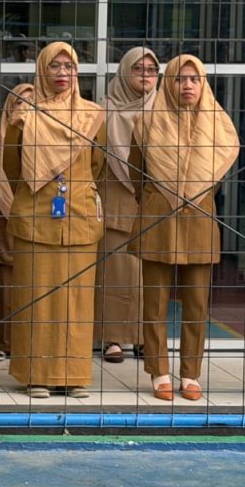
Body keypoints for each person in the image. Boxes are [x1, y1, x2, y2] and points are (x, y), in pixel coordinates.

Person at [128, 54, 239, 401]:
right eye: (180, 78)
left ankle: (190, 374)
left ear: (204, 83)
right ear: (168, 82)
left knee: (196, 304)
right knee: (155, 302)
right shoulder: (146, 122)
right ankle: (159, 371)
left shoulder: (220, 125)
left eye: (195, 79)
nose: (188, 85)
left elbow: (217, 178)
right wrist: (159, 197)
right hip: (158, 218)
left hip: (200, 219)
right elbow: (136, 172)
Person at [4, 42, 105, 399]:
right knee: (38, 297)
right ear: (42, 71)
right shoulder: (26, 115)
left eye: (70, 66)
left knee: (77, 300)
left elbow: (97, 166)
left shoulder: (94, 115)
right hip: (35, 216)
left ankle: (74, 375)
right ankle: (37, 375)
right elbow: (12, 168)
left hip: (78, 217)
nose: (63, 73)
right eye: (55, 66)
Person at [94, 48, 160, 364]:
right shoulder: (104, 112)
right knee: (114, 272)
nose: (146, 75)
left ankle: (146, 337)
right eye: (138, 69)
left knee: (149, 276)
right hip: (114, 201)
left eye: (151, 70)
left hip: (152, 203)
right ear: (124, 72)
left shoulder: (165, 111)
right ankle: (113, 338)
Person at [0, 82, 34, 363]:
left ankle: (25, 343)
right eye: (18, 103)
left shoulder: (45, 145)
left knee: (29, 287)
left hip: (35, 221)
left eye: (31, 103)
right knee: (1, 287)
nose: (23, 108)